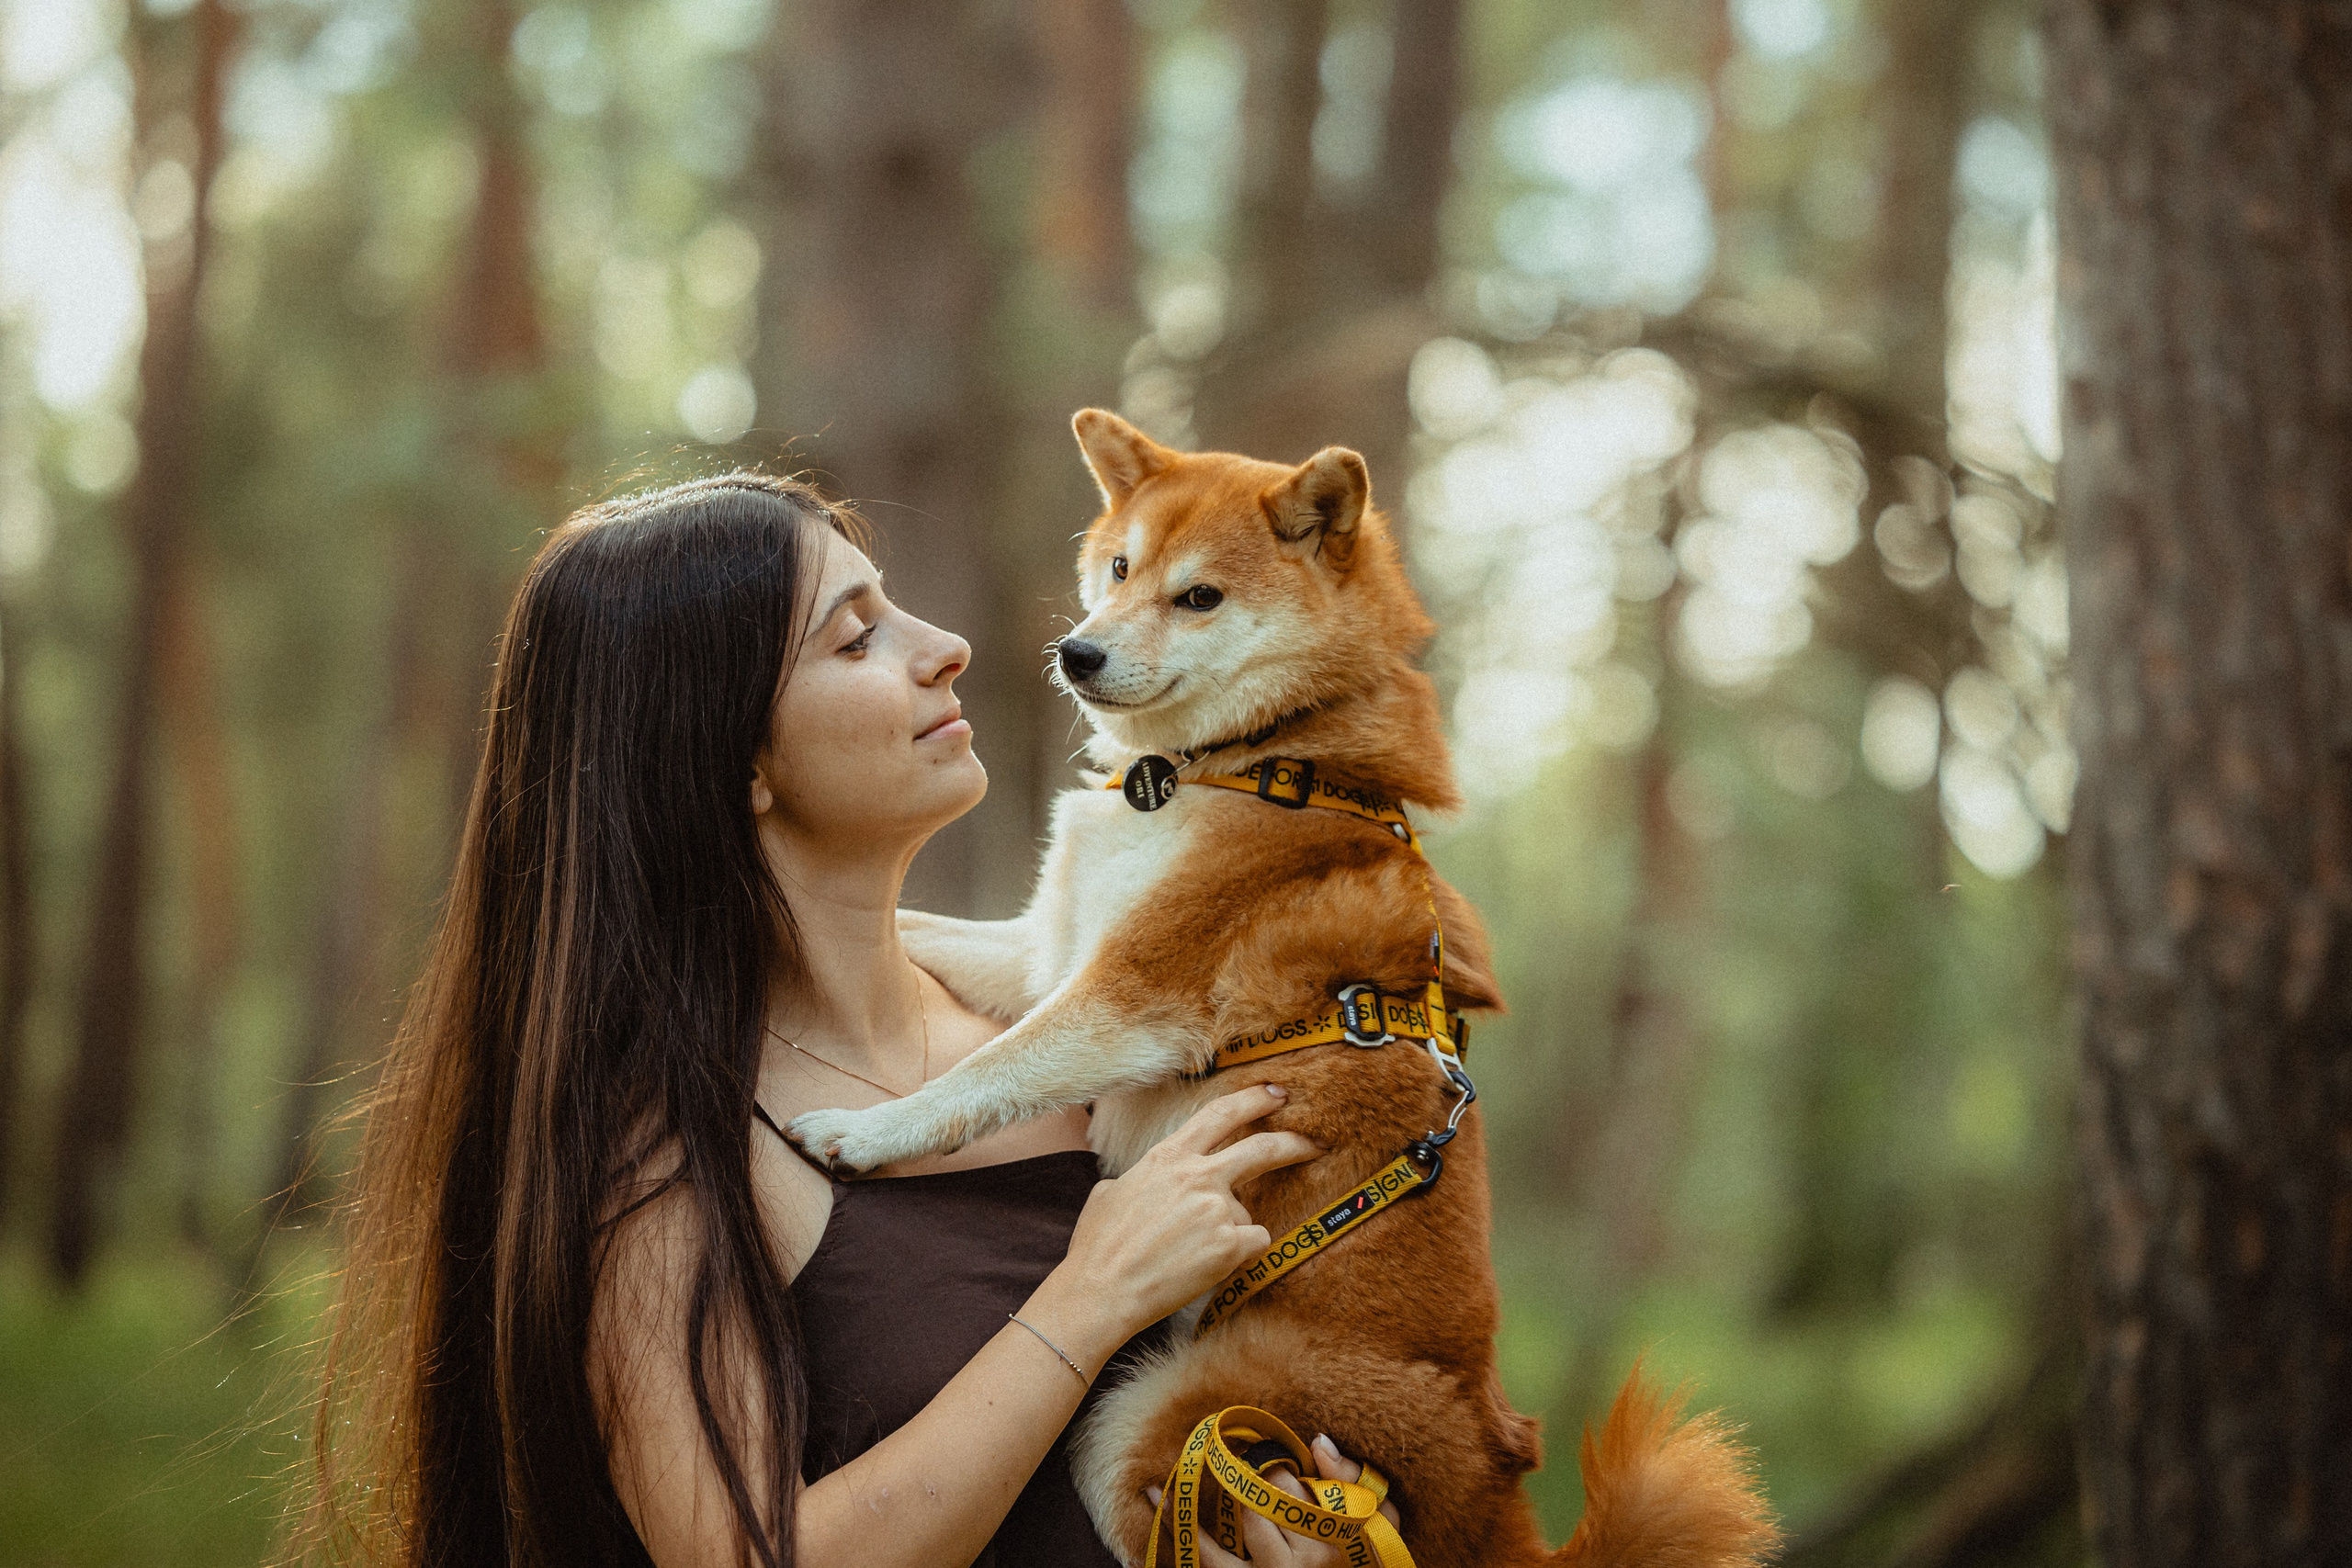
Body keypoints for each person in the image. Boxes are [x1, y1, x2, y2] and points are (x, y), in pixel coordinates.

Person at [292, 473, 1398, 1568]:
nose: (946, 645)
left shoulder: (1065, 1046)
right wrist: (1093, 1296)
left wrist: (1308, 1518)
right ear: (731, 759)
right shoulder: (673, 1153)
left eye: (898, 605)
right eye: (856, 640)